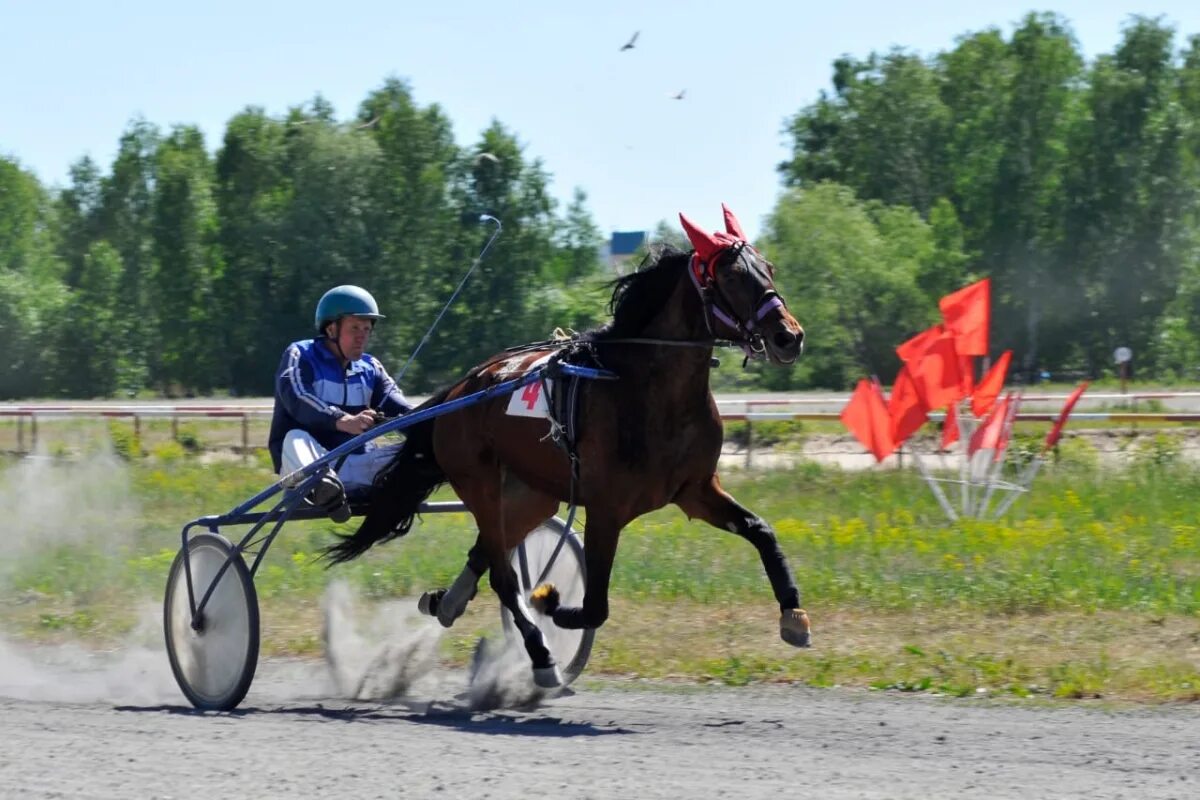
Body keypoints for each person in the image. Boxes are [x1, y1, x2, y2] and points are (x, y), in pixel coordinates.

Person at [268, 285, 414, 521]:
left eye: (367, 329)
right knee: (294, 437)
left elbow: (406, 413)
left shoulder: (371, 368)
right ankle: (322, 488)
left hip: (357, 467)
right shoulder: (300, 355)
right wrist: (343, 420)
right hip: (306, 467)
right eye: (355, 327)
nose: (362, 336)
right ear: (331, 328)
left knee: (418, 450)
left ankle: (344, 491)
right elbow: (298, 399)